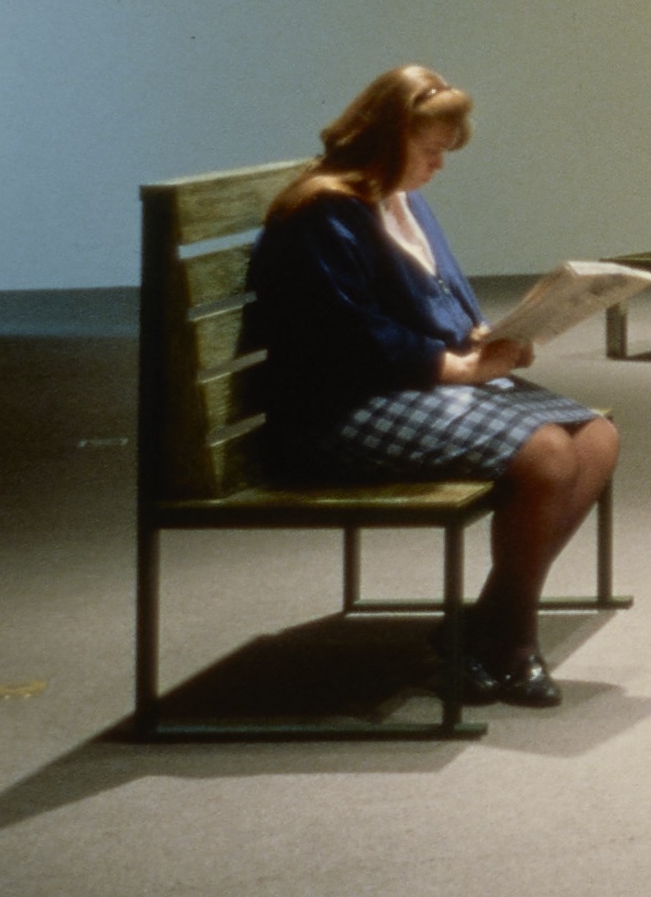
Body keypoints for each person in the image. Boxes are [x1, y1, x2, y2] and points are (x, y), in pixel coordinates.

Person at [245, 65, 620, 707]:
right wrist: (467, 367)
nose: (439, 166)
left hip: (404, 387)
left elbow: (435, 300)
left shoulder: (400, 199)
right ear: (389, 137)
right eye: (431, 151)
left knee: (598, 438)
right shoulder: (324, 211)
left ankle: (483, 625)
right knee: (547, 453)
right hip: (335, 412)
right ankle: (511, 642)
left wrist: (490, 336)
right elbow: (349, 340)